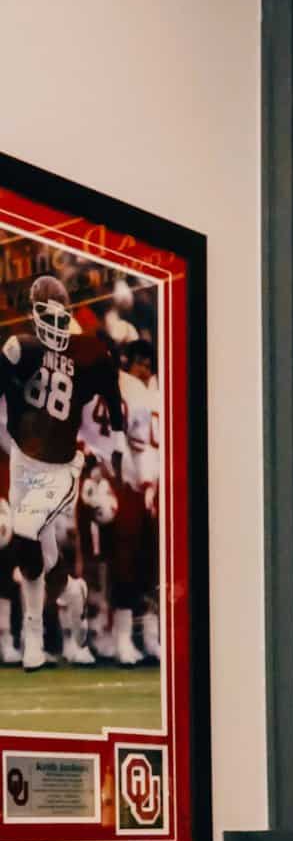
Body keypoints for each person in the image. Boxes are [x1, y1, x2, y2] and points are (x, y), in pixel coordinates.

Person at [1, 273, 126, 671]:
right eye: (46, 316)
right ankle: (72, 593)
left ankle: (33, 638)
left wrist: (113, 446)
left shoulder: (83, 357)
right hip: (22, 459)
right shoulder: (21, 347)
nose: (54, 326)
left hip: (58, 468)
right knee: (37, 558)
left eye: (61, 319)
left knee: (25, 532)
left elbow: (105, 400)